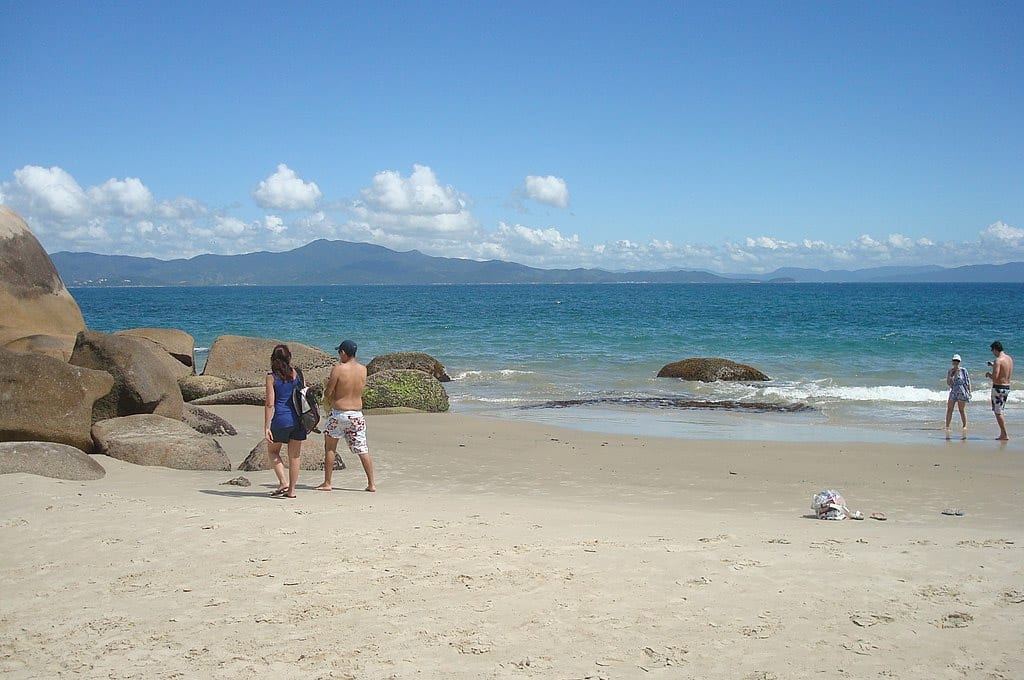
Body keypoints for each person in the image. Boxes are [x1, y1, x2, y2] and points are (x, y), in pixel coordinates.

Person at [316, 339, 376, 492]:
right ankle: (371, 484)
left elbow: (328, 392)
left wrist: (328, 396)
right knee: (362, 449)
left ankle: (327, 483)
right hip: (357, 415)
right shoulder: (363, 369)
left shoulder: (338, 369)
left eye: (339, 352)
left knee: (330, 448)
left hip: (339, 414)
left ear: (343, 353)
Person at [264, 344, 306, 498]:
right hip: (298, 420)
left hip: (281, 420)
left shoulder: (271, 377)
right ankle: (292, 491)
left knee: (273, 451)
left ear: (273, 359)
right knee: (294, 456)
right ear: (289, 357)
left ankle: (283, 481)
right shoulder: (297, 373)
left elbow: (270, 403)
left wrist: (267, 426)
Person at [984, 341, 1014, 441]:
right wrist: (993, 365)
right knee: (1000, 411)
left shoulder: (998, 360)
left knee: (998, 412)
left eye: (992, 350)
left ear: (996, 349)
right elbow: (1004, 370)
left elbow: (995, 378)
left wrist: (988, 374)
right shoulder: (1009, 359)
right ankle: (1003, 433)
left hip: (998, 388)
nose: (992, 352)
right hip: (1006, 387)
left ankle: (1004, 434)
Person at [944, 353, 970, 439]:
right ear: (952, 362)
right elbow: (948, 383)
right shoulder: (950, 371)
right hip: (953, 391)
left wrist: (969, 392)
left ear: (959, 362)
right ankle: (947, 426)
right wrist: (949, 376)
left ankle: (964, 425)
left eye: (957, 361)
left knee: (961, 410)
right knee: (949, 409)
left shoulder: (963, 370)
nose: (956, 362)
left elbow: (967, 381)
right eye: (954, 361)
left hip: (962, 391)